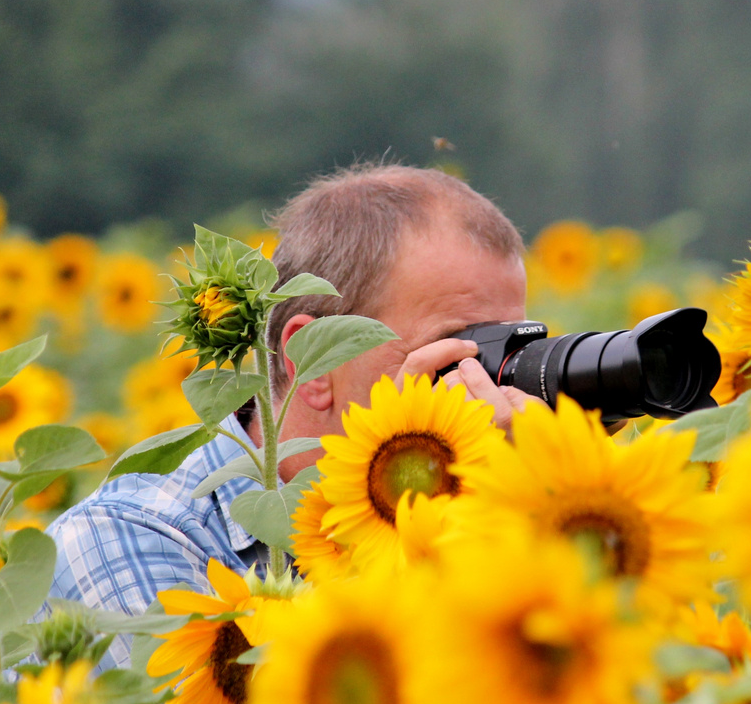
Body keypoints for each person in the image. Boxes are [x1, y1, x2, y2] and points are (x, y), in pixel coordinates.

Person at [44, 163, 532, 670]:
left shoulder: (477, 516)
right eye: (456, 350)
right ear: (314, 362)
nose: (492, 386)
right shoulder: (130, 540)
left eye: (510, 349)